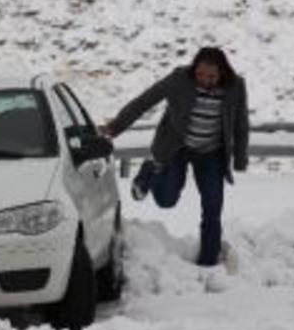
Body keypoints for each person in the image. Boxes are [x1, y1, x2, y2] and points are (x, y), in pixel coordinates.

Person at [99, 47, 250, 266]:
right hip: (177, 147)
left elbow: (241, 123)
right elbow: (144, 101)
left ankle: (208, 261)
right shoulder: (180, 79)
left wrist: (240, 158)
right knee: (166, 200)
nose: (204, 80)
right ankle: (149, 171)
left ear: (222, 73)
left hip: (211, 153)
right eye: (200, 75)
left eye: (211, 77)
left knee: (212, 207)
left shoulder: (236, 86)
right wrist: (114, 128)